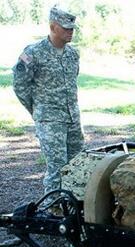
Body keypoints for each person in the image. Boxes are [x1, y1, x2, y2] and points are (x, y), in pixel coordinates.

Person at [13, 5, 84, 196]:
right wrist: (38, 111)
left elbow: (72, 83)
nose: (71, 32)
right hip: (50, 119)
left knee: (78, 164)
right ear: (53, 27)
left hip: (72, 117)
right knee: (57, 167)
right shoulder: (34, 52)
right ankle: (53, 211)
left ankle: (74, 209)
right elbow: (20, 86)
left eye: (72, 28)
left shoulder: (72, 54)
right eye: (66, 28)